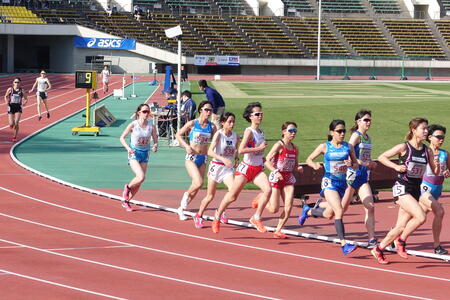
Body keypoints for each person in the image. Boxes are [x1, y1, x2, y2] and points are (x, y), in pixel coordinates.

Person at [372, 118, 440, 264]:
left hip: (415, 189)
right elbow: (382, 157)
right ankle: (401, 241)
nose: (426, 131)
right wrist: (396, 167)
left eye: (427, 129)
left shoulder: (427, 150)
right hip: (402, 188)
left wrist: (439, 166)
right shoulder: (404, 147)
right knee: (421, 217)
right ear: (414, 131)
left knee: (401, 226)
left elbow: (434, 171)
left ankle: (379, 248)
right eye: (423, 129)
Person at [301, 120, 359, 255]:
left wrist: (351, 164)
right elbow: (309, 159)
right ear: (332, 133)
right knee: (339, 211)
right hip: (329, 182)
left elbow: (356, 164)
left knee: (329, 214)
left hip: (342, 184)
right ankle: (344, 244)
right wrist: (314, 165)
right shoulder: (324, 147)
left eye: (343, 131)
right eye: (339, 131)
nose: (342, 133)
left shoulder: (348, 147)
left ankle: (308, 211)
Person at [212, 102, 270, 234]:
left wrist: (264, 159)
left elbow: (259, 153)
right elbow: (241, 149)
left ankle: (256, 218)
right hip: (246, 169)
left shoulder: (262, 132)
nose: (260, 116)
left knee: (268, 190)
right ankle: (217, 216)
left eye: (261, 113)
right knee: (232, 197)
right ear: (250, 117)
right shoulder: (249, 131)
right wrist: (259, 148)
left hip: (257, 169)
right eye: (257, 114)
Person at [193, 112, 239, 228]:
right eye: (229, 121)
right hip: (216, 166)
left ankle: (220, 211)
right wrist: (223, 159)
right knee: (210, 196)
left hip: (227, 169)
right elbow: (210, 152)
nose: (232, 124)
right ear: (223, 123)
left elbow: (236, 149)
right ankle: (199, 215)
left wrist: (237, 159)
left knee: (233, 192)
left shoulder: (235, 136)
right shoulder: (219, 134)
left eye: (233, 121)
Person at [176, 101, 216, 220]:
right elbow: (178, 135)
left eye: (210, 110)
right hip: (192, 158)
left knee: (197, 186)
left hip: (203, 158)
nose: (209, 112)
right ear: (200, 110)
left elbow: (217, 140)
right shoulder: (192, 123)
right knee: (198, 182)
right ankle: (186, 195)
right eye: (206, 109)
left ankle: (181, 209)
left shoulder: (212, 126)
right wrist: (186, 146)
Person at [262, 121, 303, 238]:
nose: (293, 133)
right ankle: (261, 199)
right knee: (274, 209)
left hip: (288, 178)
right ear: (284, 132)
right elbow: (267, 160)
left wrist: (298, 167)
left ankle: (278, 230)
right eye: (290, 131)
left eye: (295, 131)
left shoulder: (295, 148)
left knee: (288, 206)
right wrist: (275, 172)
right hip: (276, 177)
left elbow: (295, 164)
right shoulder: (279, 145)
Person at [119, 104, 158, 211]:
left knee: (140, 182)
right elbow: (122, 138)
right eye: (144, 111)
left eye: (148, 112)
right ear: (139, 113)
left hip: (145, 154)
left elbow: (155, 139)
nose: (147, 114)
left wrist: (155, 146)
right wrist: (128, 148)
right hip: (134, 153)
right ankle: (127, 187)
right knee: (140, 177)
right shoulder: (133, 125)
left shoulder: (151, 126)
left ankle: (126, 201)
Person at [421, 124, 449, 255]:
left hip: (437, 188)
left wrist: (448, 171)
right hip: (424, 187)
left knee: (418, 217)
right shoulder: (425, 152)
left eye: (443, 136)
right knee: (440, 211)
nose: (441, 139)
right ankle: (437, 246)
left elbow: (448, 170)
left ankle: (396, 234)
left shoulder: (445, 154)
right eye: (438, 137)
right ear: (430, 137)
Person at [4, 77, 28, 142]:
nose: (16, 83)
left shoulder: (22, 90)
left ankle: (14, 136)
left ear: (20, 83)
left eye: (18, 82)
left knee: (17, 122)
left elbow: (26, 99)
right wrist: (6, 101)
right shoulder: (10, 89)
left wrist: (24, 103)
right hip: (11, 107)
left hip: (18, 107)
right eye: (15, 82)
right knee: (11, 124)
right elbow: (5, 96)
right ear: (13, 83)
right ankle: (12, 124)